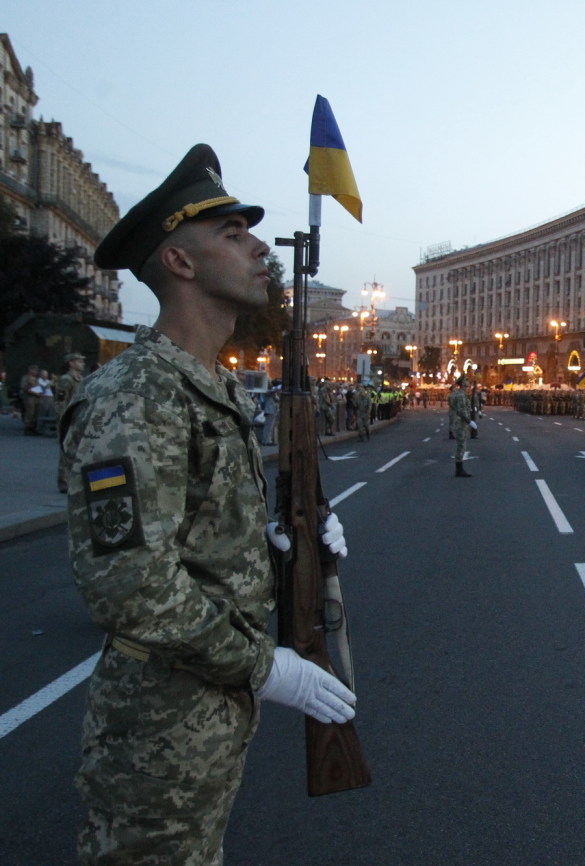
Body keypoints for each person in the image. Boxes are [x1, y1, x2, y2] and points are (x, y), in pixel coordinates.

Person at [60, 144, 356, 864]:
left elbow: (191, 537)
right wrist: (264, 666)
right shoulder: (135, 396)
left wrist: (282, 547)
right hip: (160, 724)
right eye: (232, 234)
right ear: (180, 264)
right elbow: (131, 587)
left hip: (206, 710)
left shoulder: (209, 388)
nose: (259, 246)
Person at [55, 352, 87, 492]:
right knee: (66, 450)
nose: (82, 364)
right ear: (71, 363)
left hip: (79, 419)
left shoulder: (80, 379)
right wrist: (63, 420)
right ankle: (64, 482)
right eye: (79, 361)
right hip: (69, 419)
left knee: (78, 451)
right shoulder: (66, 379)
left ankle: (74, 480)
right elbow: (60, 401)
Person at [450, 374, 473, 476]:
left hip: (459, 422)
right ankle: (459, 470)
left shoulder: (460, 394)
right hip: (461, 423)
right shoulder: (460, 395)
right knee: (461, 446)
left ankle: (459, 469)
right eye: (467, 380)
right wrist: (469, 421)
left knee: (461, 445)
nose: (469, 382)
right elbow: (461, 410)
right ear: (463, 383)